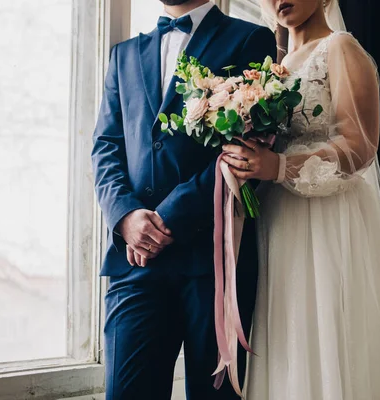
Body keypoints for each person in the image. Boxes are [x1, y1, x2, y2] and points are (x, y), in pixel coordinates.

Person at [219, 0, 380, 398]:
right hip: (278, 220)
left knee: (333, 335)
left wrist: (280, 167)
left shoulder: (340, 48)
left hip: (328, 222)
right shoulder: (271, 70)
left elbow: (360, 147)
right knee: (289, 335)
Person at [91, 0, 276, 398]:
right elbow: (105, 146)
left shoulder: (250, 39)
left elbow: (244, 150)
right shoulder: (122, 54)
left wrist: (168, 218)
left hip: (213, 261)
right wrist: (126, 217)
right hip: (135, 261)